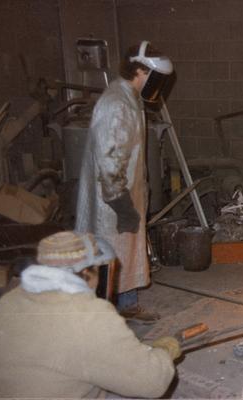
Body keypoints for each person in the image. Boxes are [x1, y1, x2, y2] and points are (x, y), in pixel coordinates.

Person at [0, 231, 181, 398]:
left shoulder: (11, 298)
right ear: (85, 272)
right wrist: (164, 352)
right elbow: (152, 383)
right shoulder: (88, 314)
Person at [75, 41, 173, 321]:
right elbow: (110, 159)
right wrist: (122, 205)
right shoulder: (117, 103)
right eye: (156, 77)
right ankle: (105, 315)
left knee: (124, 252)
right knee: (110, 254)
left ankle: (126, 303)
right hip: (113, 201)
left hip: (124, 194)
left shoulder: (129, 97)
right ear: (141, 71)